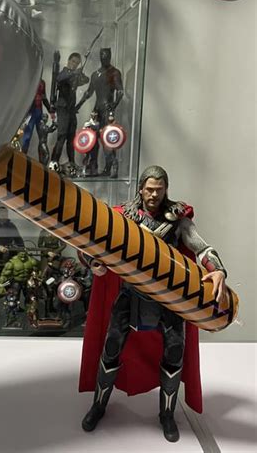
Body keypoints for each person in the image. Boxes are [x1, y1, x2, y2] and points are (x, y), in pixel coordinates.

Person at [79, 165, 228, 442]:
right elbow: (92, 243)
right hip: (130, 294)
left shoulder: (177, 219)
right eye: (149, 190)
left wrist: (217, 269)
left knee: (174, 353)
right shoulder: (124, 216)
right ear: (141, 189)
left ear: (165, 190)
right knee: (111, 349)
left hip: (169, 299)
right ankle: (98, 405)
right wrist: (92, 262)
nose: (153, 195)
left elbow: (201, 247)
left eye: (159, 190)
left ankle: (167, 415)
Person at [75, 47, 123, 177]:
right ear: (100, 57)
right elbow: (88, 93)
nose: (104, 58)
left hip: (107, 109)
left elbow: (120, 91)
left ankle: (111, 167)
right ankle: (93, 166)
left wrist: (114, 105)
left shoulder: (114, 73)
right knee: (92, 139)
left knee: (107, 139)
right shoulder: (95, 74)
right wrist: (78, 106)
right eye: (102, 55)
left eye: (106, 55)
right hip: (97, 110)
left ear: (110, 56)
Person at [48, 52, 89, 174]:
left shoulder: (73, 75)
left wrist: (80, 73)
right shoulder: (64, 73)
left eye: (77, 63)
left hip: (71, 110)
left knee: (71, 138)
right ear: (69, 61)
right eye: (73, 62)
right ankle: (54, 162)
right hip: (63, 108)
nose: (74, 64)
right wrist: (74, 73)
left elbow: (86, 80)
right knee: (62, 136)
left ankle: (72, 163)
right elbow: (60, 78)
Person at [22, 78, 55, 156]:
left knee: (42, 137)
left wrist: (50, 111)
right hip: (30, 112)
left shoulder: (42, 82)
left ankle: (42, 158)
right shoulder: (29, 81)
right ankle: (23, 154)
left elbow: (44, 98)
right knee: (27, 135)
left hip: (39, 112)